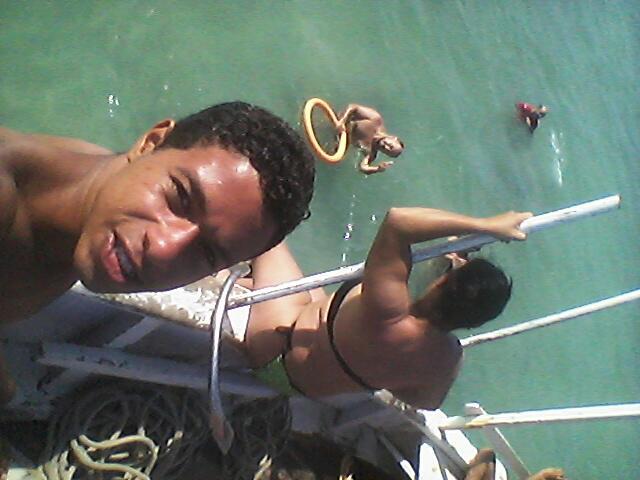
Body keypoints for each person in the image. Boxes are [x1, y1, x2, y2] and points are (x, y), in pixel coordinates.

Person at [0, 101, 315, 402]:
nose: (163, 251)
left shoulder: (99, 191)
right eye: (179, 198)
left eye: (207, 253)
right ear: (150, 143)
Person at [243, 206, 532, 408]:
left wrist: (485, 225)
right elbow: (426, 402)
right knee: (309, 291)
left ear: (442, 283)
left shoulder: (387, 308)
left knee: (268, 236)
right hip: (309, 393)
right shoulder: (447, 358)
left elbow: (398, 222)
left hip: (275, 356)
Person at [335, 103, 404, 174]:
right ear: (393, 138)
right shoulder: (376, 119)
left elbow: (363, 167)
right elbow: (353, 107)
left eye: (387, 152)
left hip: (339, 138)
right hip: (337, 119)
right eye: (391, 146)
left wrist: (377, 169)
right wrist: (342, 121)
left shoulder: (371, 153)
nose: (386, 147)